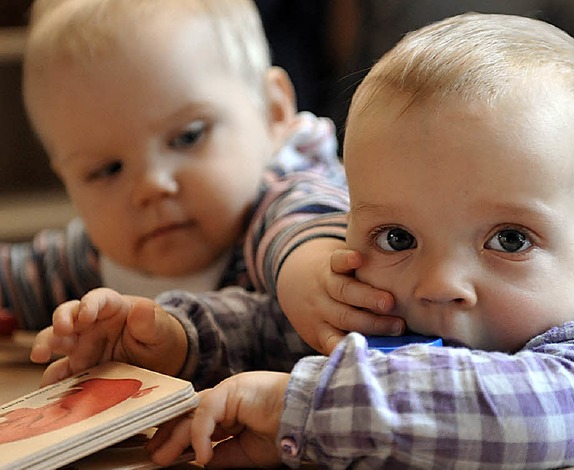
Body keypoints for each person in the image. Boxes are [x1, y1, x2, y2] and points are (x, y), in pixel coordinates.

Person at [31, 11, 574, 468]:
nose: (438, 285)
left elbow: (524, 415)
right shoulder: (406, 306)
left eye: (509, 240)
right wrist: (179, 339)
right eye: (398, 236)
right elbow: (281, 326)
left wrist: (301, 403)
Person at [1, 0, 398, 336]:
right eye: (106, 170)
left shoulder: (284, 198)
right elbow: (18, 278)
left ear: (273, 111)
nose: (151, 186)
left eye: (187, 137)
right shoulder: (94, 258)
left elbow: (306, 228)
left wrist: (314, 272)